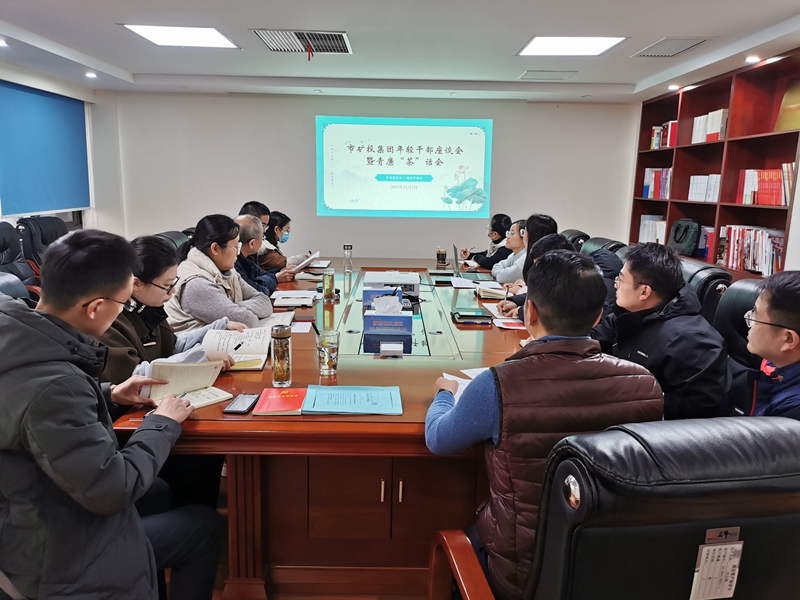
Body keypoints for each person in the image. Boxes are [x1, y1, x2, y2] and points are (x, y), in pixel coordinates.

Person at [426, 250, 663, 600]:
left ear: (530, 311)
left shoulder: (498, 384)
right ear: (599, 314)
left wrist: (445, 395)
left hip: (522, 572)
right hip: (615, 567)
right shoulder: (645, 384)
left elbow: (438, 438)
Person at [0, 229, 222, 600]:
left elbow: (31, 416)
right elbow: (112, 489)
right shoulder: (57, 384)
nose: (123, 311)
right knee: (203, 527)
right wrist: (162, 423)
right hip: (58, 555)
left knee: (159, 491)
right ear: (95, 307)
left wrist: (111, 394)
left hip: (34, 509)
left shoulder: (21, 341)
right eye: (122, 303)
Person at [591, 242, 730, 420]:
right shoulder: (629, 313)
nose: (615, 285)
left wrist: (631, 396)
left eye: (621, 279)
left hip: (659, 429)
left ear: (644, 292)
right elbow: (595, 341)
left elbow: (705, 409)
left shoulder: (691, 339)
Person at [98, 235, 245, 384]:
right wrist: (199, 358)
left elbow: (172, 345)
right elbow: (133, 376)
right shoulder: (108, 320)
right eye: (167, 285)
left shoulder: (148, 308)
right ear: (136, 284)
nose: (173, 291)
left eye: (173, 283)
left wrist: (219, 327)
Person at [166, 214, 273, 331]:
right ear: (215, 248)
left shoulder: (228, 271)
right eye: (235, 247)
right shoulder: (196, 284)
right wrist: (235, 309)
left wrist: (231, 307)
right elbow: (247, 320)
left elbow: (264, 301)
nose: (238, 253)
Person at [741, 271, 800, 418]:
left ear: (788, 339)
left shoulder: (790, 412)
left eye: (755, 314)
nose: (748, 317)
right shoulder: (775, 368)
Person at [497, 233, 575, 318]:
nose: (537, 271)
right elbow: (540, 295)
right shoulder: (562, 277)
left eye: (539, 267)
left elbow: (552, 310)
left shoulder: (576, 288)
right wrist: (515, 301)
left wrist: (521, 311)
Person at [234, 215, 295, 295]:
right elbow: (260, 291)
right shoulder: (233, 263)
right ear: (252, 243)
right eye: (262, 238)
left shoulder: (249, 257)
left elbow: (263, 274)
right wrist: (274, 279)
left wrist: (260, 281)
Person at [490, 220, 527, 284]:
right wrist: (502, 273)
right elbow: (496, 266)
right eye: (508, 233)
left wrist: (501, 273)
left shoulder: (525, 259)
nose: (507, 236)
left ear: (524, 236)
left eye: (512, 233)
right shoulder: (513, 255)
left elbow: (504, 278)